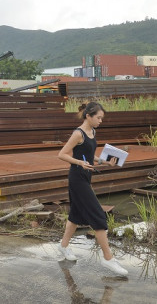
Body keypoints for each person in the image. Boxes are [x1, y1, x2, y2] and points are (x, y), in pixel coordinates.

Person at [57, 102, 128, 276]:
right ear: (88, 116)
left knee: (75, 215)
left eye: (101, 118)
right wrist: (79, 162)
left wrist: (103, 161)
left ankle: (63, 246)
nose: (100, 121)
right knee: (98, 215)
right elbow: (62, 154)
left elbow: (89, 155)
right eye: (98, 117)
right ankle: (108, 258)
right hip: (77, 178)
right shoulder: (78, 133)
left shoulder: (92, 132)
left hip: (86, 177)